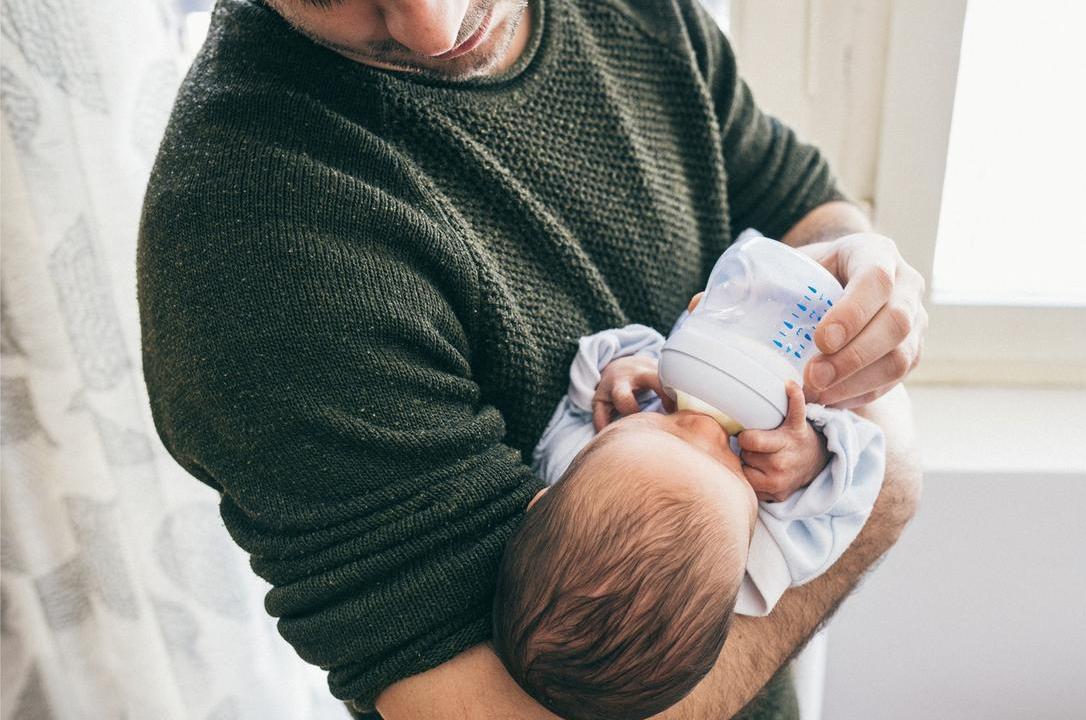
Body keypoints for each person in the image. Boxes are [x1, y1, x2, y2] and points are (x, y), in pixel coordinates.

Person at [136, 0, 928, 717]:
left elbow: (797, 205)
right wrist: (880, 482)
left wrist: (855, 276)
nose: (434, 31)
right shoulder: (255, 253)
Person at [492, 322, 886, 719]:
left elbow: (582, 385)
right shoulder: (765, 562)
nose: (705, 427)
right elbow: (860, 480)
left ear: (543, 501)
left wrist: (622, 369)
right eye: (729, 467)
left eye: (662, 432)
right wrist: (812, 458)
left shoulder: (572, 470)